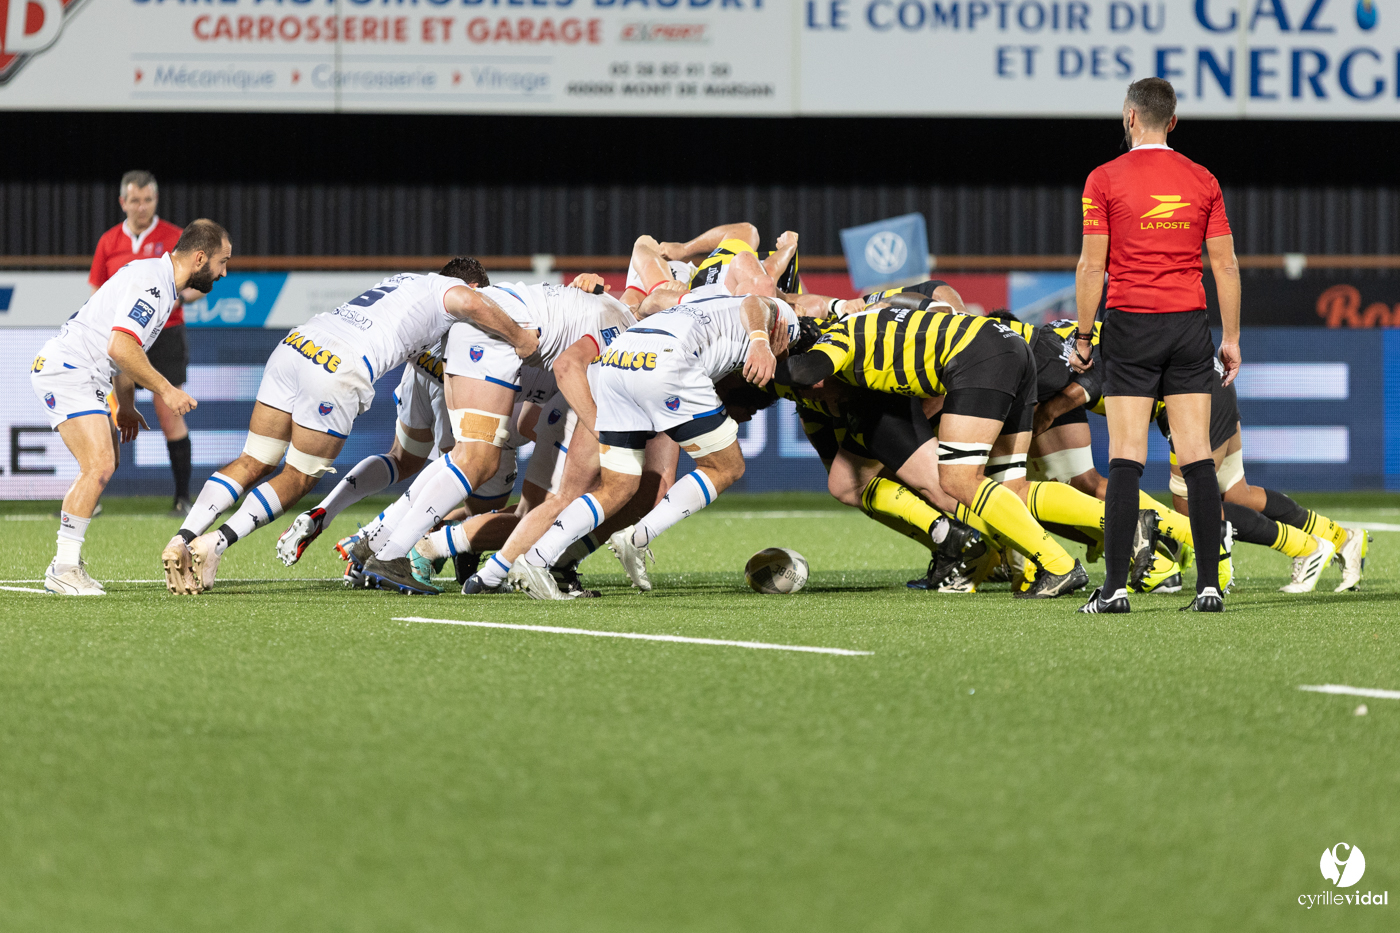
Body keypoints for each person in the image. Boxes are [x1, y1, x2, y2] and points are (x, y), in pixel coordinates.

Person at [162, 258, 527, 595]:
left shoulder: (408, 280)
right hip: (338, 365)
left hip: (297, 343)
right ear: (474, 287)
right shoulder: (456, 295)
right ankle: (217, 543)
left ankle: (182, 538)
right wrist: (522, 339)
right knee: (298, 477)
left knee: (254, 460)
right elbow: (472, 303)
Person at [778, 303, 1091, 599]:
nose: (810, 398)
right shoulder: (857, 326)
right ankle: (1116, 528)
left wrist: (759, 362)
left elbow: (804, 371)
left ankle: (1059, 565)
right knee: (1011, 486)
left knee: (957, 480)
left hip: (981, 357)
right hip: (1009, 346)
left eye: (805, 394)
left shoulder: (837, 339)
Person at [1072, 77, 1241, 614]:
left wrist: (1081, 334)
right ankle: (1210, 588)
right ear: (1172, 122)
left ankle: (1115, 589)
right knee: (1196, 457)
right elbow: (1225, 265)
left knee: (1125, 458)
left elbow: (1091, 265)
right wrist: (1231, 338)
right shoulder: (1203, 178)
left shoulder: (1103, 178)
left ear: (1129, 118)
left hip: (1130, 324)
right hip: (1190, 326)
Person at [507, 291, 798, 600]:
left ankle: (536, 560)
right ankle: (638, 537)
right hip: (667, 361)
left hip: (619, 359)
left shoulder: (709, 301)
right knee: (726, 466)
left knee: (617, 487)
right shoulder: (785, 323)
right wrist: (760, 341)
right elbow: (757, 301)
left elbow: (660, 302)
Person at [355, 281, 636, 594]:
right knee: (477, 463)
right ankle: (394, 553)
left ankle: (378, 540)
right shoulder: (626, 331)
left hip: (479, 329)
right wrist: (602, 433)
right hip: (500, 332)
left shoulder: (609, 312)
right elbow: (566, 368)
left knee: (468, 459)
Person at [32, 219, 229, 594]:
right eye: (222, 261)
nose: (223, 271)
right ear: (200, 258)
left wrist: (124, 407)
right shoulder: (155, 285)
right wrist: (167, 390)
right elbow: (120, 348)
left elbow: (124, 351)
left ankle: (66, 564)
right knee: (99, 464)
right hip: (68, 370)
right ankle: (64, 567)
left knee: (107, 462)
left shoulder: (158, 280)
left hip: (83, 372)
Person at [88, 170, 206, 515]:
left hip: (165, 333)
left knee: (169, 413)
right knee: (106, 412)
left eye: (148, 200)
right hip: (123, 337)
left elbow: (199, 284)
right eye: (135, 200)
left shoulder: (175, 237)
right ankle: (90, 496)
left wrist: (177, 298)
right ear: (123, 202)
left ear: (156, 201)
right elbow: (98, 291)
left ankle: (183, 498)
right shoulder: (109, 241)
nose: (142, 207)